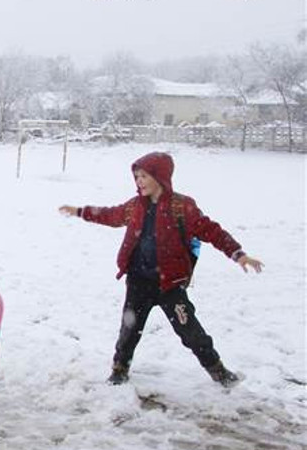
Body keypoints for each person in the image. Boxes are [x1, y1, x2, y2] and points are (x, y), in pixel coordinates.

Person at [59, 151, 264, 387]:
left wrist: (238, 254)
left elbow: (212, 231)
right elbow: (110, 215)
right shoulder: (135, 206)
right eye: (136, 177)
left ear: (160, 176)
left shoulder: (182, 206)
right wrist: (79, 211)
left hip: (170, 284)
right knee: (129, 330)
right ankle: (120, 367)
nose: (139, 182)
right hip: (138, 281)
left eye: (144, 176)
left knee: (190, 331)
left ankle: (217, 369)